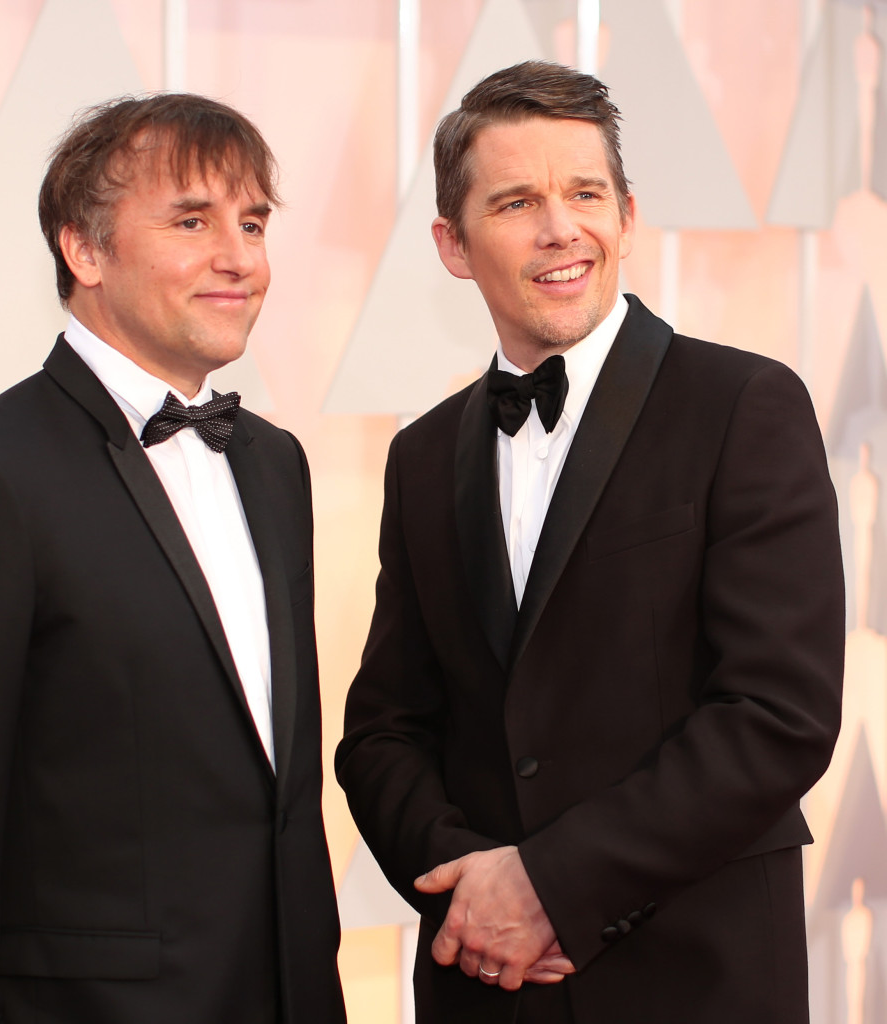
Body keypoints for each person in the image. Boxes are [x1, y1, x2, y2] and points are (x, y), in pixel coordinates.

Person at [336, 60, 844, 1024]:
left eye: (584, 194)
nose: (561, 228)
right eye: (518, 201)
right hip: (487, 985)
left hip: (697, 980)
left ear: (627, 216)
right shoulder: (420, 454)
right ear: (452, 243)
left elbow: (778, 712)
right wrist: (470, 894)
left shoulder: (744, 405)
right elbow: (384, 731)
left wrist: (550, 886)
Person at [0, 94, 345, 1024]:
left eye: (252, 223)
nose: (240, 256)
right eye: (192, 220)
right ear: (83, 250)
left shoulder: (274, 463)